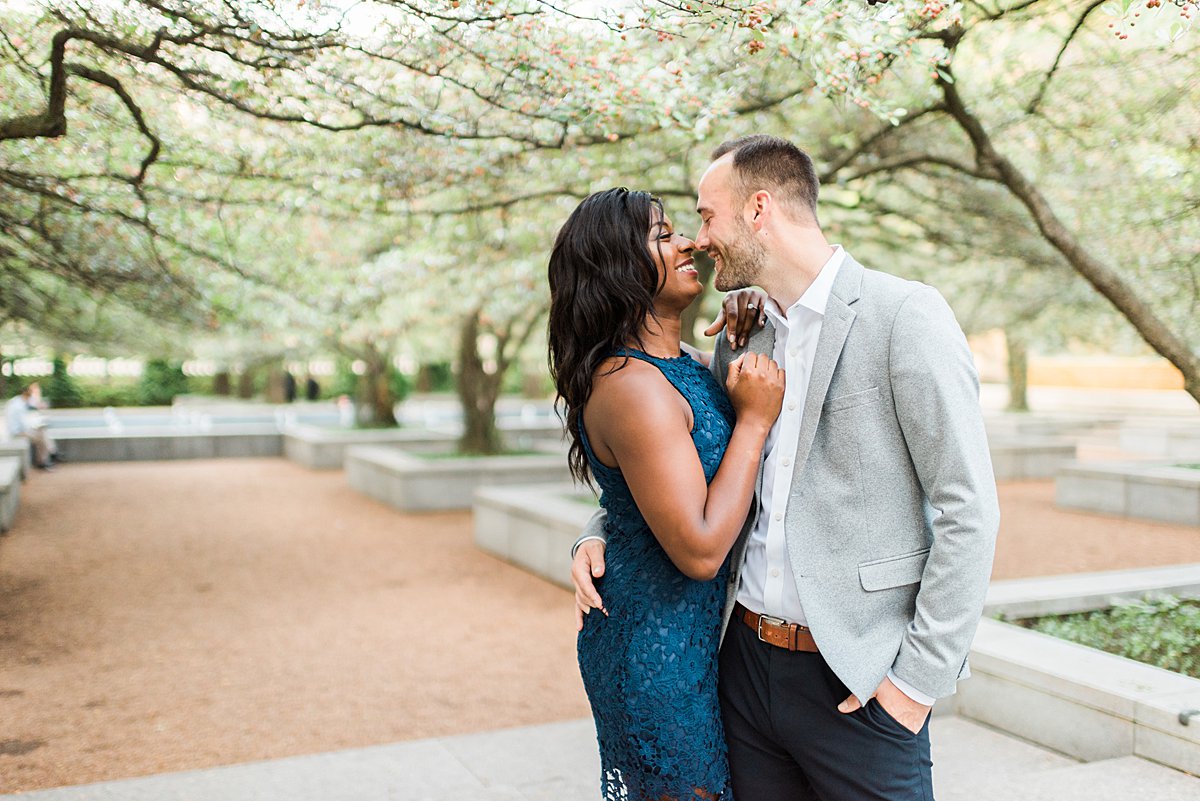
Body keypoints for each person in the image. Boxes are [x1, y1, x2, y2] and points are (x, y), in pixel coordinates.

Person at [572, 135, 1000, 800]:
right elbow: (676, 469)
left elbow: (969, 510)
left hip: (856, 677)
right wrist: (597, 528)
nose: (700, 238)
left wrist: (915, 684)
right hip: (740, 671)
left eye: (707, 217)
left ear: (759, 210)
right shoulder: (743, 334)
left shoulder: (904, 316)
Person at [548, 187, 785, 800]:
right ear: (615, 268)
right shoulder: (630, 386)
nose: (688, 243)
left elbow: (639, 495)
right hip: (655, 654)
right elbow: (701, 551)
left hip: (701, 643)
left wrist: (753, 312)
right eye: (661, 236)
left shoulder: (678, 361)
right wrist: (754, 421)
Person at [4, 383, 54, 470]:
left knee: (41, 432)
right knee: (41, 436)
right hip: (17, 432)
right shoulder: (19, 406)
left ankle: (49, 455)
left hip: (17, 430)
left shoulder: (17, 402)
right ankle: (45, 458)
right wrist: (35, 427)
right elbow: (23, 425)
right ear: (26, 395)